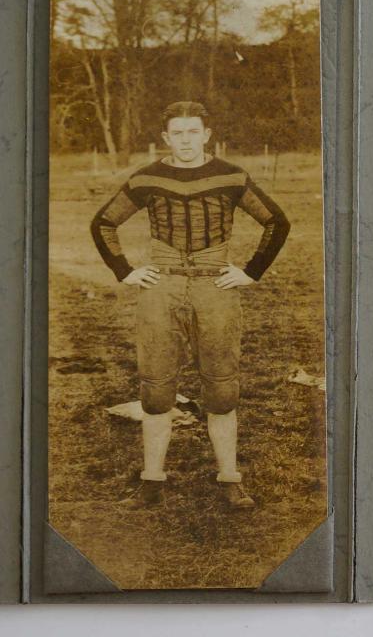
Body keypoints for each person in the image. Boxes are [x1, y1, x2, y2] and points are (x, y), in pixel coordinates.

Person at [91, 101, 290, 510]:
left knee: (221, 387)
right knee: (156, 388)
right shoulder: (148, 177)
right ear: (166, 138)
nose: (185, 139)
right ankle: (151, 482)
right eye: (177, 133)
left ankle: (230, 480)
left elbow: (276, 221)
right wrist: (124, 270)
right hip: (161, 289)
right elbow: (104, 222)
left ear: (206, 135)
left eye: (192, 132)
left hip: (214, 286)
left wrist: (252, 271)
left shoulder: (231, 175)